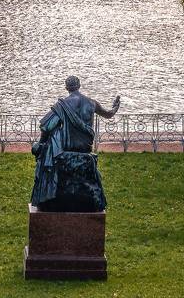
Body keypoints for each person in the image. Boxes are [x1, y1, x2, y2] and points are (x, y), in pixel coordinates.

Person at [31, 76, 120, 212]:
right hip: (85, 148)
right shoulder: (92, 103)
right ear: (79, 85)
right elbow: (109, 114)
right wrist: (115, 107)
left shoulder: (62, 105)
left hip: (68, 147)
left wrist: (40, 144)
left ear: (66, 87)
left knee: (50, 143)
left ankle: (47, 195)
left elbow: (47, 126)